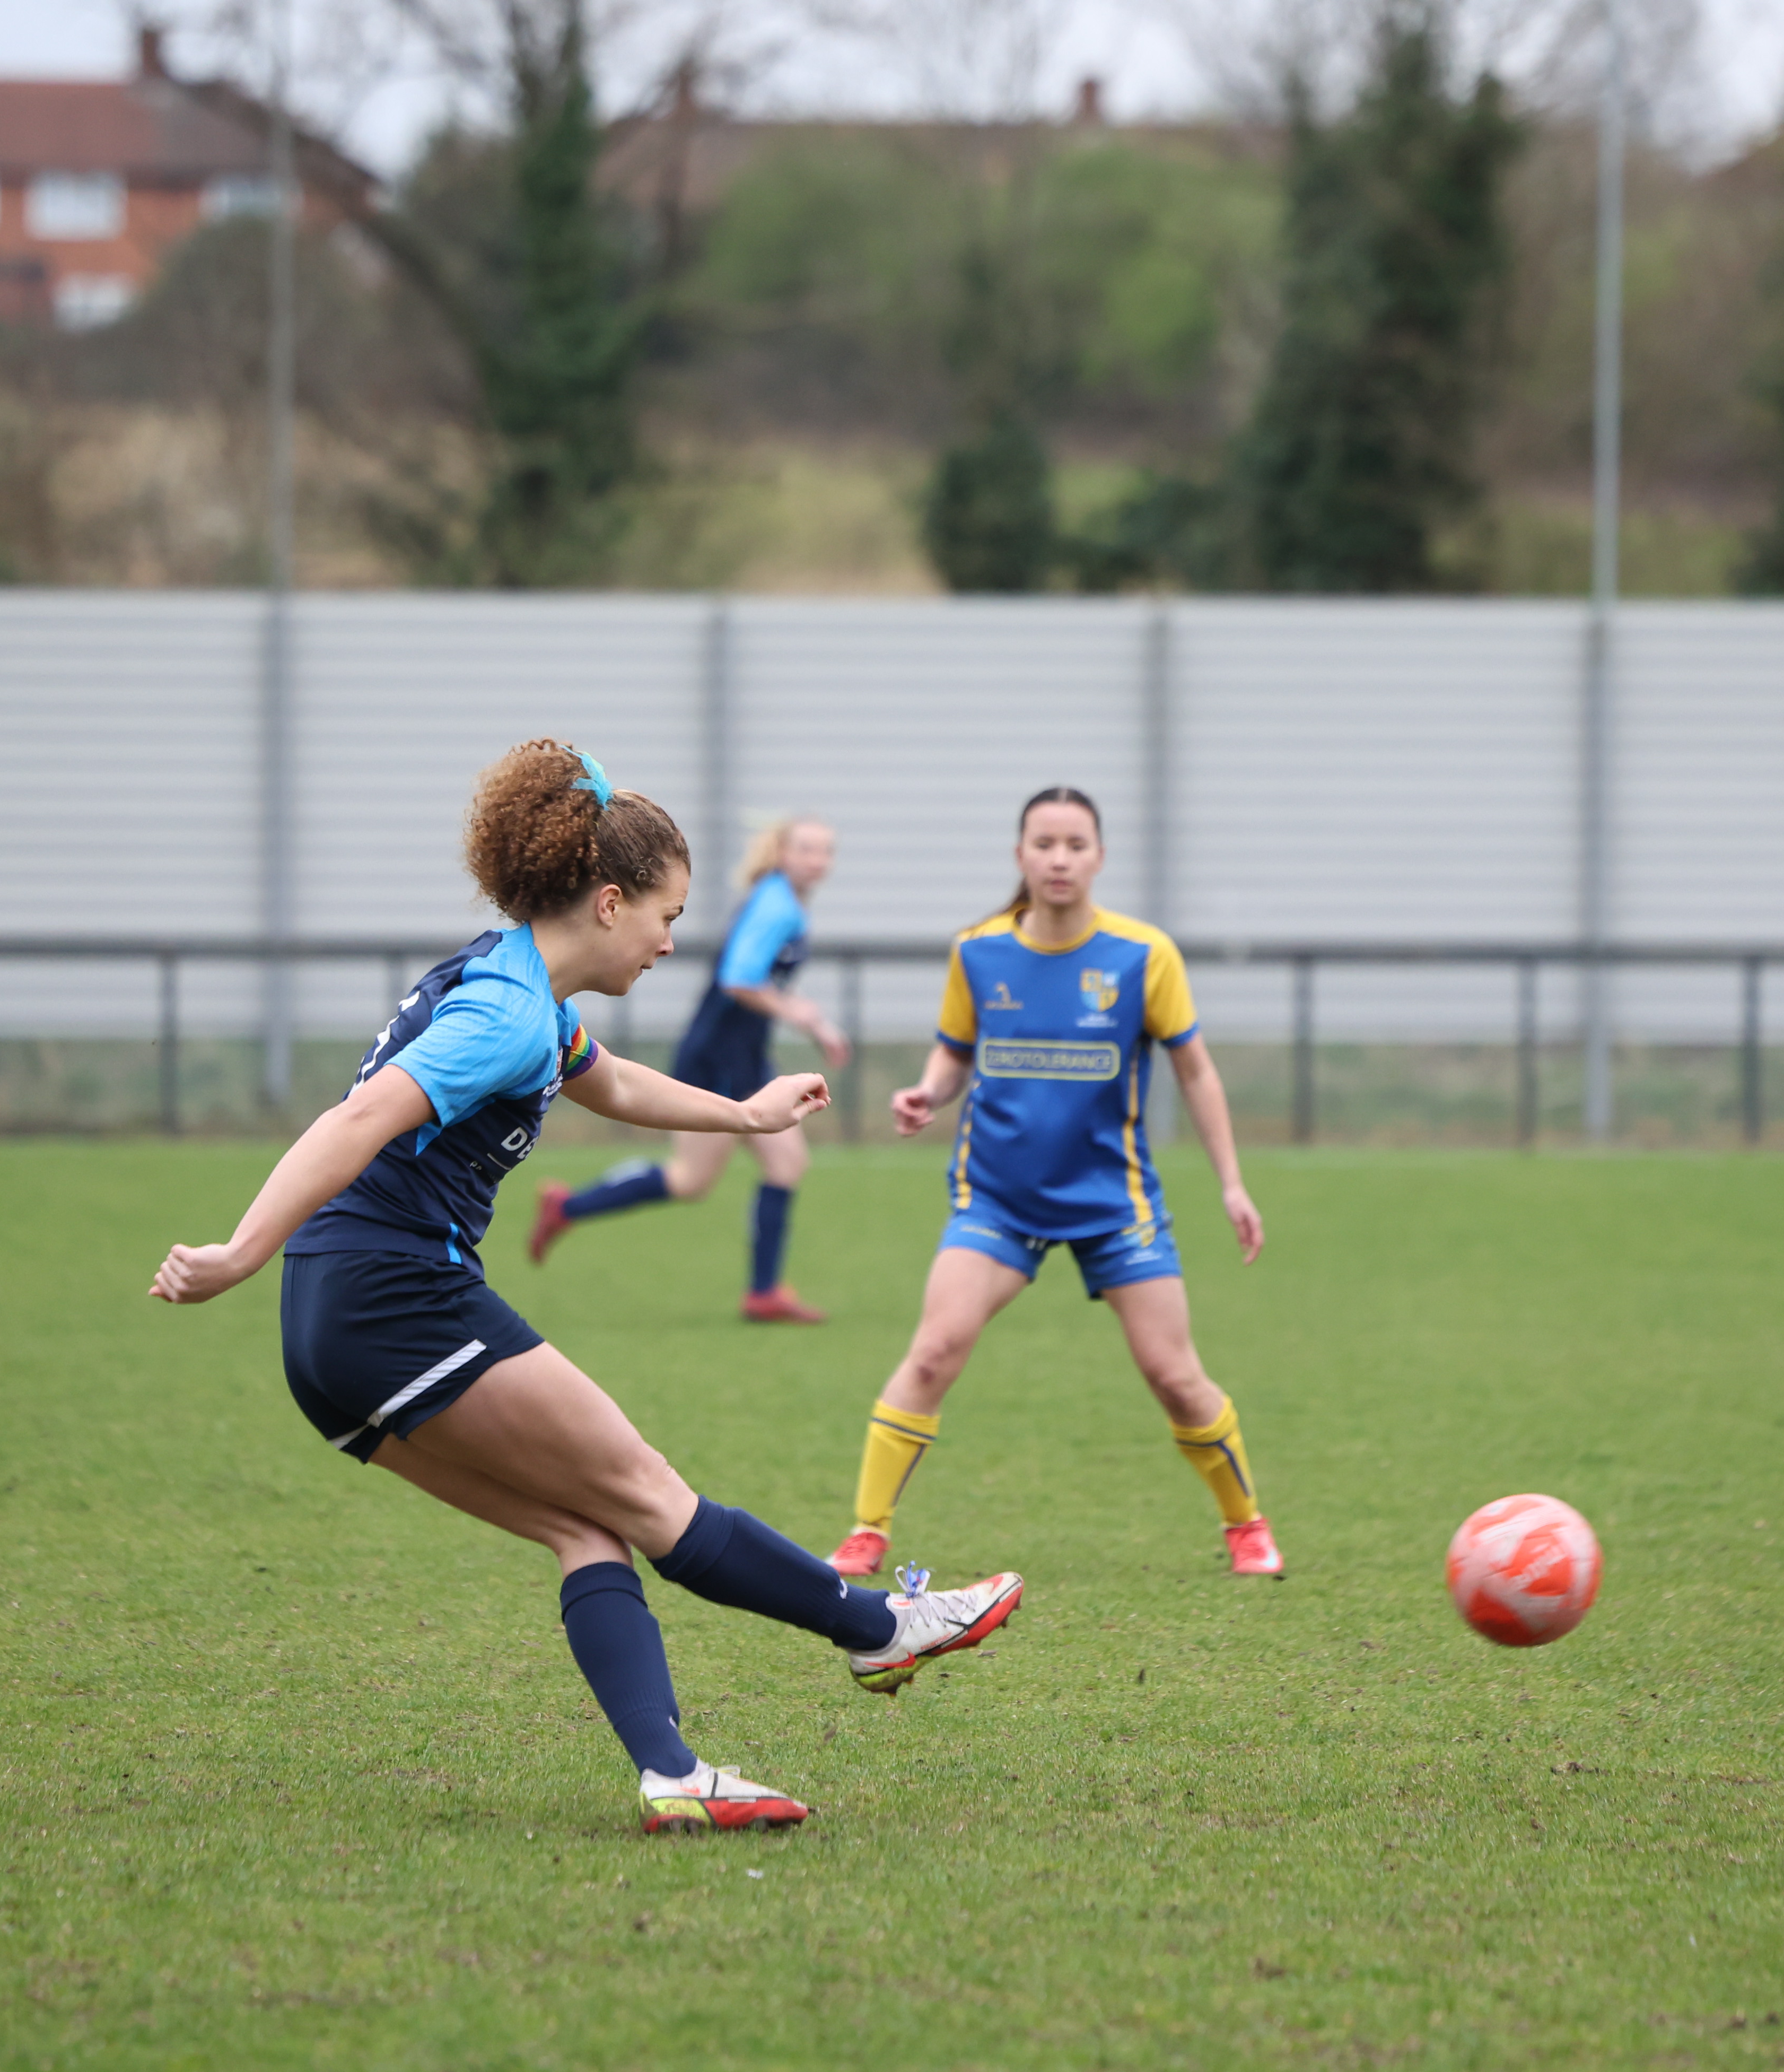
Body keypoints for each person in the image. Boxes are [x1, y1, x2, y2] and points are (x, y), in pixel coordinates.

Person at [147, 742, 1022, 1835]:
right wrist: (238, 1251)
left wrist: (742, 1114)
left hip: (328, 1336)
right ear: (609, 901)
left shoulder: (512, 980)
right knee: (653, 1493)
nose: (670, 940)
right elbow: (358, 1121)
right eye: (666, 913)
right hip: (395, 1300)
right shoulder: (505, 1014)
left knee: (589, 1530)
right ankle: (875, 1625)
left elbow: (603, 1078)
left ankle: (672, 1774)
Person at [825, 786, 1279, 1585]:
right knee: (933, 1351)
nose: (1060, 858)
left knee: (1174, 1375)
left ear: (1099, 856)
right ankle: (867, 1531)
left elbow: (1197, 1071)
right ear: (1020, 856)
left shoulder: (1145, 956)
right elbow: (956, 1052)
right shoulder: (978, 951)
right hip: (998, 1196)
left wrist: (1233, 1185)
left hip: (1114, 1202)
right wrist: (929, 1093)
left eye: (1076, 844)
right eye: (1045, 843)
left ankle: (1246, 1525)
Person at [530, 816, 851, 1323]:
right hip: (717, 1057)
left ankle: (763, 1294)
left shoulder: (783, 902)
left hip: (744, 1057)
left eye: (826, 851)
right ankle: (567, 1208)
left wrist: (807, 1022)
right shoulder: (776, 905)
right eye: (807, 849)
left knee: (787, 1163)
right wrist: (805, 1015)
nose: (819, 861)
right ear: (782, 853)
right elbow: (739, 980)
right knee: (689, 1181)